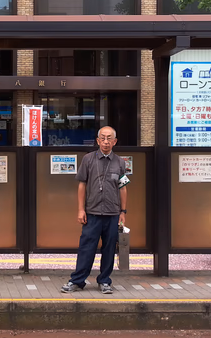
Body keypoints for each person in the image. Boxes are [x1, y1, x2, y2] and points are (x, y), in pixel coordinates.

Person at [61, 126, 128, 295]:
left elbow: (123, 188)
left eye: (109, 139)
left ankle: (105, 281)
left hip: (113, 214)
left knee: (109, 248)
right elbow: (82, 185)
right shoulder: (88, 159)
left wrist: (123, 212)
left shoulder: (120, 162)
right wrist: (80, 210)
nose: (106, 142)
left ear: (115, 141)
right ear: (98, 141)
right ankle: (77, 280)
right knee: (86, 248)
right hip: (92, 213)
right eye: (103, 138)